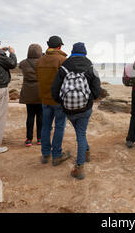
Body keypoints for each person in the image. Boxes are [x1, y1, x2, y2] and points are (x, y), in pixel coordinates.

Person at [51, 42, 101, 180]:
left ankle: (86, 153)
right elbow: (97, 91)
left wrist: (62, 102)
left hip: (68, 109)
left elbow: (54, 90)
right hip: (85, 108)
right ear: (84, 53)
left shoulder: (63, 67)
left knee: (80, 132)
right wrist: (89, 99)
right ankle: (80, 166)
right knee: (81, 133)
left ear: (73, 52)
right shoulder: (90, 66)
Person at [36, 36, 70, 166]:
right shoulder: (63, 60)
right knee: (59, 126)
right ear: (60, 46)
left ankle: (45, 154)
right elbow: (67, 81)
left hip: (45, 99)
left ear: (48, 45)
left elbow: (38, 78)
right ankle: (56, 155)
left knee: (46, 127)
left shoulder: (40, 60)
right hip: (59, 100)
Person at [19, 44, 43, 147]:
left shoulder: (23, 63)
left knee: (30, 116)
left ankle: (29, 139)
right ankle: (40, 139)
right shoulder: (43, 62)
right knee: (41, 116)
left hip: (28, 92)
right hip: (40, 91)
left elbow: (19, 66)